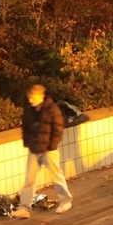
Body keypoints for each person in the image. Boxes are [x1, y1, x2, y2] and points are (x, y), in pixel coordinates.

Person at [15, 84, 73, 218]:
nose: (30, 100)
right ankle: (24, 208)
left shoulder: (52, 109)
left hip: (48, 150)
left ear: (41, 96)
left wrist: (52, 146)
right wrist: (28, 143)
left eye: (33, 97)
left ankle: (66, 201)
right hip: (34, 149)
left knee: (56, 176)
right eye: (29, 98)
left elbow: (58, 129)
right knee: (29, 179)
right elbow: (25, 128)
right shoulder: (30, 110)